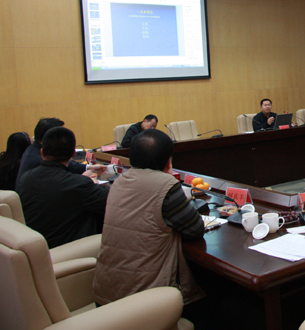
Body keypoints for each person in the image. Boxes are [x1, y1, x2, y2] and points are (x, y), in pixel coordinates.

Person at [93, 129, 205, 307]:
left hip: (107, 292)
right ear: (168, 161)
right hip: (144, 303)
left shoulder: (119, 181)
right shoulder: (166, 185)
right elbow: (195, 229)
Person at [16, 127, 110, 248]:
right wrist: (91, 182)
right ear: (73, 154)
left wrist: (82, 180)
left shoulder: (26, 178)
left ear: (42, 152)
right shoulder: (78, 184)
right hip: (65, 250)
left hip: (35, 247)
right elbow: (111, 199)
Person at [16, 117, 104, 186]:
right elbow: (59, 186)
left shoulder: (32, 149)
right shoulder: (38, 159)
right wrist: (83, 179)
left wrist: (89, 167)